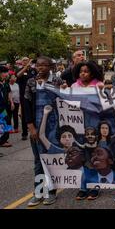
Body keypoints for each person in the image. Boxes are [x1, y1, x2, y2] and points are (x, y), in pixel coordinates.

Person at [24, 56, 62, 207]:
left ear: (50, 67)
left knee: (51, 160)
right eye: (38, 65)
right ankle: (38, 192)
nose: (40, 68)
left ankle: (51, 192)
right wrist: (31, 127)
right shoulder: (31, 82)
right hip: (36, 127)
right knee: (38, 161)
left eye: (43, 65)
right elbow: (26, 104)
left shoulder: (57, 82)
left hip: (53, 127)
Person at [16, 57, 37, 140]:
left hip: (33, 94)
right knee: (25, 114)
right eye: (24, 60)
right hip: (24, 95)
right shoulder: (20, 70)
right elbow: (18, 75)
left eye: (27, 60)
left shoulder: (33, 70)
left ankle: (34, 129)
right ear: (22, 62)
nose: (25, 61)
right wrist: (25, 67)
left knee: (34, 111)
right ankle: (24, 133)